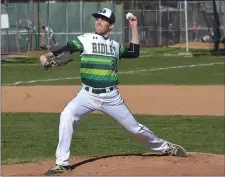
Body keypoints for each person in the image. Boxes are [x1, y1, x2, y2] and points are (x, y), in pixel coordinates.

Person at [39, 8, 187, 175]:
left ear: (111, 26)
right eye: (97, 18)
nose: (98, 21)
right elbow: (66, 49)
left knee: (135, 129)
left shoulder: (115, 46)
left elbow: (134, 52)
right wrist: (45, 55)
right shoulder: (85, 40)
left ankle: (165, 147)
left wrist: (133, 26)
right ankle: (62, 163)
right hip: (86, 95)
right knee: (67, 115)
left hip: (111, 97)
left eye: (103, 19)